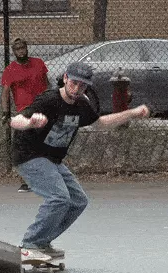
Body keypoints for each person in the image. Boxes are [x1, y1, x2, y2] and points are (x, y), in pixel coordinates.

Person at [10, 62, 151, 261]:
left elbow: (100, 124)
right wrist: (30, 122)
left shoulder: (82, 104)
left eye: (82, 86)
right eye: (74, 83)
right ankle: (29, 245)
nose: (76, 89)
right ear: (66, 78)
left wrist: (133, 113)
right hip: (30, 155)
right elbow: (15, 120)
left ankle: (42, 242)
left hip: (53, 159)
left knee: (78, 201)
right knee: (59, 198)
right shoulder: (49, 100)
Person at [1, 37, 49, 193]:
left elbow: (46, 84)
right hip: (24, 110)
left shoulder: (39, 64)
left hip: (42, 107)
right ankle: (25, 181)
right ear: (14, 52)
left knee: (44, 145)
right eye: (18, 49)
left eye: (23, 48)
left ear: (27, 48)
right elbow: (6, 93)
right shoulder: (10, 70)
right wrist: (5, 113)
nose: (21, 51)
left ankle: (46, 179)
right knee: (22, 146)